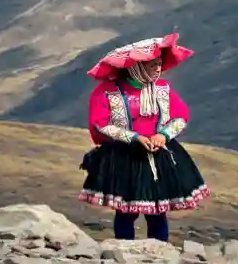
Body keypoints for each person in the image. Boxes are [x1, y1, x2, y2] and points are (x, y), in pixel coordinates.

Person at [78, 33, 210, 242]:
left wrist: (163, 135)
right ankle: (124, 250)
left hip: (159, 154)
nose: (157, 69)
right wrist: (134, 138)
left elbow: (181, 115)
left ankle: (159, 252)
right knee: (126, 210)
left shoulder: (163, 89)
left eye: (159, 64)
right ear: (135, 67)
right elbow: (101, 123)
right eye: (151, 65)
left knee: (157, 210)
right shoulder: (107, 92)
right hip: (124, 155)